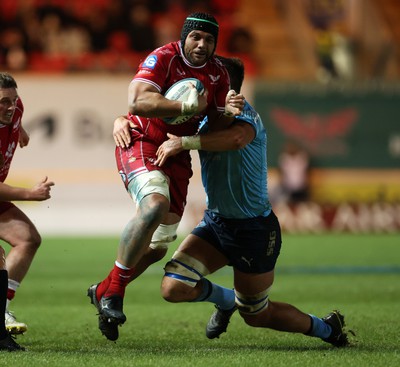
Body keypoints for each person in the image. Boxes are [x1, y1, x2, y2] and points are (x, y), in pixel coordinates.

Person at [156, 56, 351, 348]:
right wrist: (123, 120)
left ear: (224, 84)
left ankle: (326, 328)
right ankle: (225, 301)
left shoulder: (245, 114)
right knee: (173, 287)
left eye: (209, 78)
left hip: (253, 230)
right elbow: (154, 122)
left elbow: (235, 139)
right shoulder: (203, 116)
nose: (201, 84)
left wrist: (185, 143)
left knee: (257, 314)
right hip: (216, 223)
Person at [87, 12, 244, 342]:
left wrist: (227, 114)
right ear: (185, 36)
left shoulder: (218, 74)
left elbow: (213, 125)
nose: (202, 44)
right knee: (155, 204)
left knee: (158, 246)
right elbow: (136, 101)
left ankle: (104, 289)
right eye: (196, 37)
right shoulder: (163, 57)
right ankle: (114, 293)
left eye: (209, 39)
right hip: (141, 140)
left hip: (175, 152)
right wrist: (180, 106)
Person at [0, 72, 55, 336]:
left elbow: (15, 115)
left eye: (13, 100)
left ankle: (2, 309)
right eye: (2, 102)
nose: (10, 107)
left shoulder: (15, 109)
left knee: (28, 238)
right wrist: (30, 194)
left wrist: (18, 129)